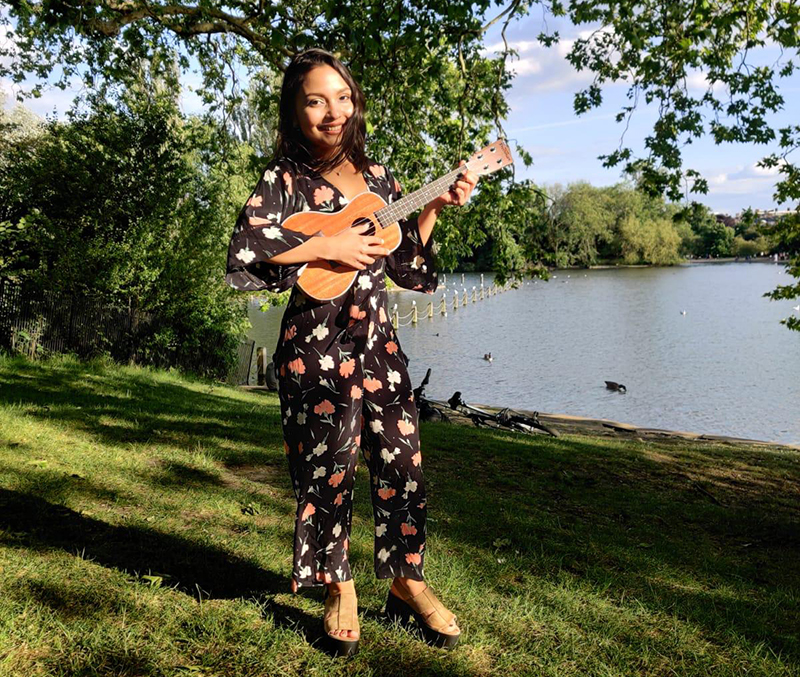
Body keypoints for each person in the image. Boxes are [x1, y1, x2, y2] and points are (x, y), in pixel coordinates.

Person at [224, 48, 478, 655]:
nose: (331, 111)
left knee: (403, 462)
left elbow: (407, 266)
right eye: (315, 99)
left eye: (341, 97)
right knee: (327, 468)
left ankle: (406, 580)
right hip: (314, 344)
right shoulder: (284, 179)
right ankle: (338, 585)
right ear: (295, 110)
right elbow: (247, 248)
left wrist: (436, 208)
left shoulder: (382, 179)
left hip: (377, 341)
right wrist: (328, 241)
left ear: (355, 103)